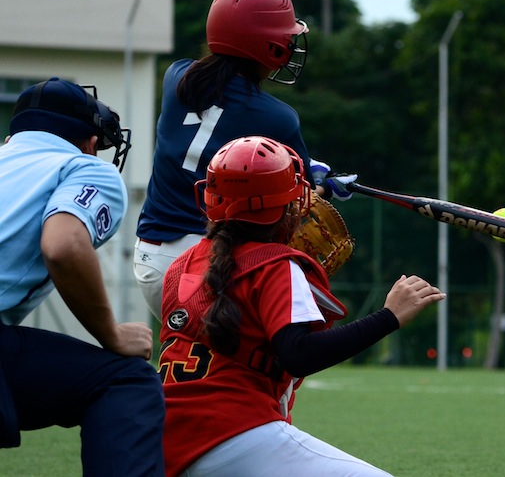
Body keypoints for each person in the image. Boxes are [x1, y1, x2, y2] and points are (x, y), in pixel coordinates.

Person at [158, 136, 445, 477]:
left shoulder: (185, 263)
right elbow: (299, 353)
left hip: (161, 438)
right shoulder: (276, 265)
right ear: (283, 208)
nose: (303, 207)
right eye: (295, 200)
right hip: (230, 434)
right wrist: (389, 317)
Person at [134, 0, 355, 318]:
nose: (291, 44)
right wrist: (325, 185)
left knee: (193, 366)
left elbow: (220, 132)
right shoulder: (277, 118)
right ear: (268, 46)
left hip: (150, 260)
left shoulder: (176, 77)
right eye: (286, 38)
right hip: (208, 264)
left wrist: (307, 168)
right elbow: (296, 199)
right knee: (278, 360)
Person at [0, 78, 165, 475]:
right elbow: (64, 245)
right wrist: (111, 333)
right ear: (90, 142)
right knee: (127, 380)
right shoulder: (82, 167)